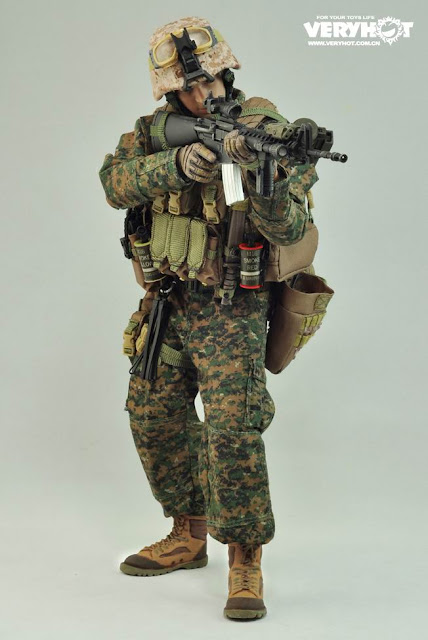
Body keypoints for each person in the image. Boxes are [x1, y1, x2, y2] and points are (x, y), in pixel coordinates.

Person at [99, 16, 318, 620]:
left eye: (213, 80)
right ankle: (188, 532)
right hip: (169, 297)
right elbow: (113, 183)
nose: (206, 92)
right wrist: (176, 166)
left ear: (228, 73)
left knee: (232, 429)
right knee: (151, 413)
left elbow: (289, 229)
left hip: (231, 304)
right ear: (171, 92)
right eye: (191, 86)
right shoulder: (153, 133)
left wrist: (260, 176)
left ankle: (244, 556)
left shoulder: (264, 127)